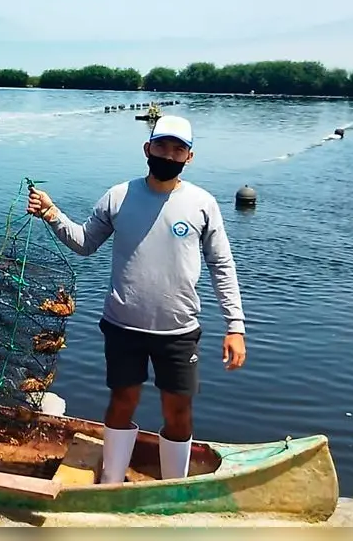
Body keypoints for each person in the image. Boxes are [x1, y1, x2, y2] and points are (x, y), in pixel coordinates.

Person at [26, 114, 246, 483]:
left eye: (178, 149)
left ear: (189, 157)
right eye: (162, 146)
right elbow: (84, 243)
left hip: (179, 331)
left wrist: (235, 327)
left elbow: (222, 265)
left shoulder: (202, 204)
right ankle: (111, 482)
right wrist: (51, 214)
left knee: (178, 411)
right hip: (122, 326)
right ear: (148, 149)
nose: (169, 155)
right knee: (122, 401)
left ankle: (173, 485)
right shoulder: (118, 196)